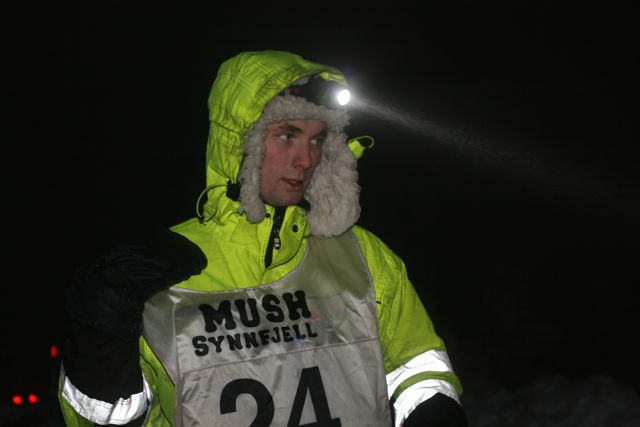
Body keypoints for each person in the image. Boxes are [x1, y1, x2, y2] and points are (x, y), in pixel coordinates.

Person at [58, 50, 468, 427]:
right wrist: (97, 336)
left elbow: (418, 368)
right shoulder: (162, 268)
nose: (305, 159)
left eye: (317, 139)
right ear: (240, 140)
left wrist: (434, 413)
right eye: (287, 135)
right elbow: (106, 420)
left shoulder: (362, 256)